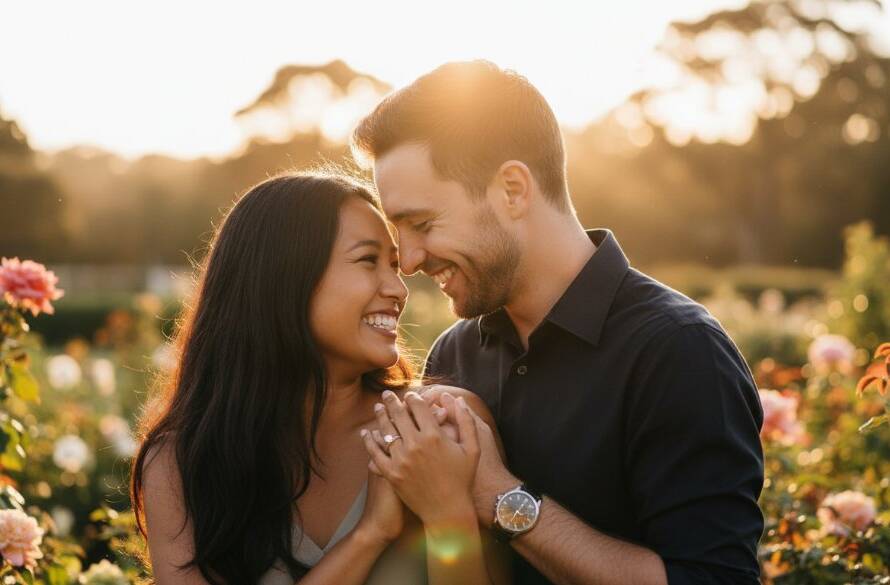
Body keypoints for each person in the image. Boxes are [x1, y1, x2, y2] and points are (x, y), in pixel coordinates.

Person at [351, 60, 766, 585]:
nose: (408, 259)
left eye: (423, 224)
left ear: (513, 190)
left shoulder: (680, 350)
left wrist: (500, 499)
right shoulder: (454, 356)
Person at [130, 172, 508, 584]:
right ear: (285, 277)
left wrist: (446, 510)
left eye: (395, 265)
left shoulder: (443, 426)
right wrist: (371, 534)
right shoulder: (182, 462)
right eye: (368, 260)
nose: (398, 289)